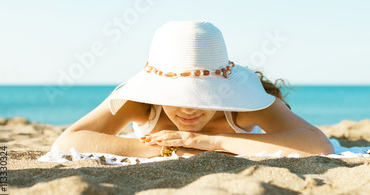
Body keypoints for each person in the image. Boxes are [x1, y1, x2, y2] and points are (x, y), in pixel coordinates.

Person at [52, 21, 334, 158]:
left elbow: (319, 144)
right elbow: (67, 141)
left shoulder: (243, 106)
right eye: (175, 96)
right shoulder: (141, 102)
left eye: (202, 96)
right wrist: (169, 148)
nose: (188, 108)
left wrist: (213, 143)